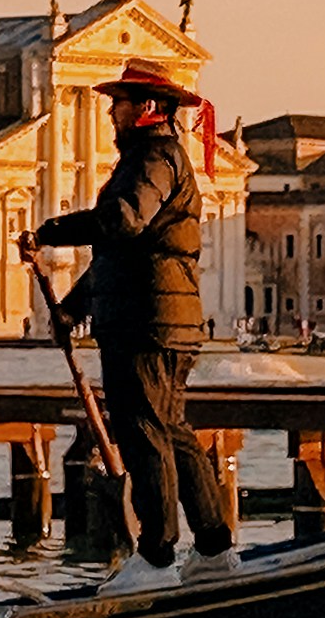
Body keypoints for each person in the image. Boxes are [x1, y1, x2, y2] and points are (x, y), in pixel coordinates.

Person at [34, 64, 211, 564]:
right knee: (170, 431)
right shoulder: (150, 159)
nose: (111, 111)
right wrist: (73, 308)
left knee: (144, 435)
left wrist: (52, 231)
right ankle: (214, 547)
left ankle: (158, 554)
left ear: (146, 109)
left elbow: (122, 222)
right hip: (159, 316)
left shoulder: (154, 159)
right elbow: (119, 256)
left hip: (145, 322)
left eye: (120, 103)